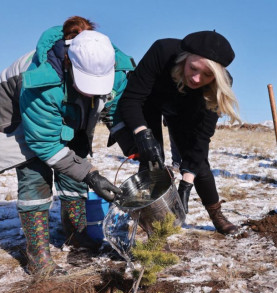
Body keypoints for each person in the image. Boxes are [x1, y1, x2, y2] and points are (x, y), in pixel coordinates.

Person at [0, 17, 135, 275]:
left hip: (68, 112)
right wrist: (92, 176)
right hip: (15, 116)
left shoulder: (114, 67)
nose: (92, 93)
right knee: (35, 173)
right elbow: (44, 144)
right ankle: (38, 258)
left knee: (77, 160)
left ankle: (75, 234)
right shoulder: (42, 80)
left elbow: (115, 109)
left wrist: (133, 146)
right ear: (69, 63)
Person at [118, 31, 240, 235]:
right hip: (151, 101)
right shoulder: (162, 52)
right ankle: (156, 227)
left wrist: (186, 183)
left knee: (199, 164)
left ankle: (216, 213)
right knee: (151, 159)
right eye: (193, 68)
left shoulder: (216, 88)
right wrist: (142, 134)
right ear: (185, 58)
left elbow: (202, 138)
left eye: (207, 75)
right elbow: (131, 99)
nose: (196, 78)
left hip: (187, 110)